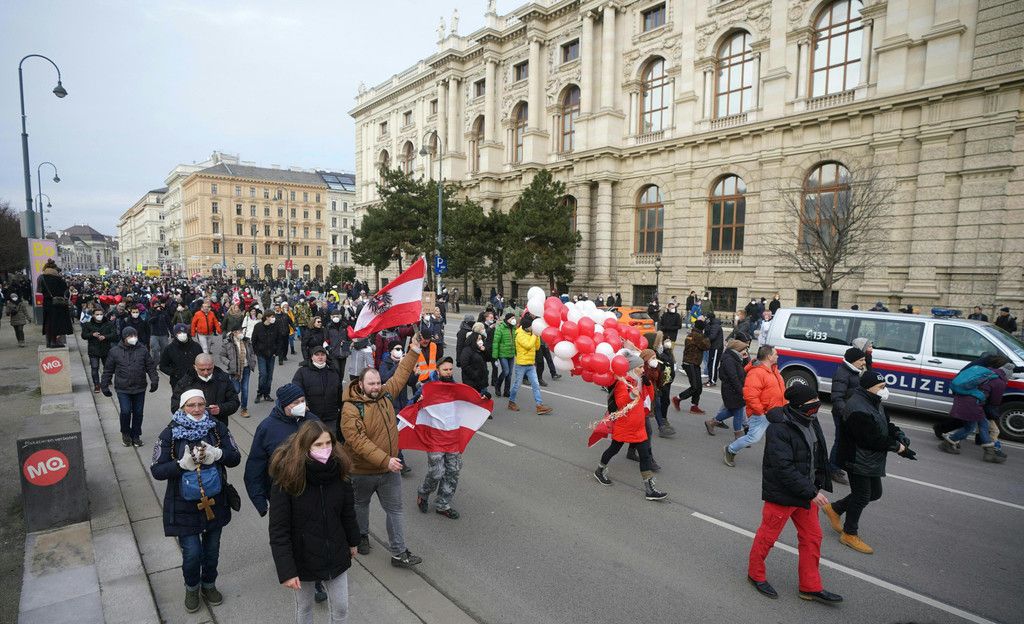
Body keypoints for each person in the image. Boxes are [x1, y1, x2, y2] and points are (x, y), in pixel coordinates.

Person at [747, 384, 841, 604]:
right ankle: (755, 574)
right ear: (799, 405)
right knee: (767, 537)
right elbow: (783, 468)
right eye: (812, 401)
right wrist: (811, 492)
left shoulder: (811, 420)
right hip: (783, 494)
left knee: (812, 537)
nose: (817, 404)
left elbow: (818, 454)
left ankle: (810, 586)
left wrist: (818, 482)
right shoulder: (778, 428)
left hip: (806, 493)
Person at [151, 389, 241, 613]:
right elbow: (157, 470)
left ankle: (209, 584)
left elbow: (235, 457)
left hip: (215, 500)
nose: (197, 409)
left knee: (212, 550)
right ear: (182, 408)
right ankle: (192, 588)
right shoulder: (169, 433)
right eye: (191, 405)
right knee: (192, 553)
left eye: (201, 404)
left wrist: (218, 454)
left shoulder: (217, 428)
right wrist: (180, 465)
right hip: (183, 504)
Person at [341, 335, 424, 567]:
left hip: (389, 470)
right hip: (362, 471)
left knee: (395, 510)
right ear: (360, 384)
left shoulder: (385, 394)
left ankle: (399, 552)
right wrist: (385, 460)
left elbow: (400, 375)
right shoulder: (350, 408)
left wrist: (414, 351)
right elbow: (357, 441)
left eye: (378, 383)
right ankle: (362, 536)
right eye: (371, 384)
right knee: (361, 506)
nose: (376, 387)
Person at [269, 420, 359, 624]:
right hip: (303, 556)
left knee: (341, 608)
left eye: (328, 443)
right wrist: (287, 571)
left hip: (335, 551)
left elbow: (347, 511)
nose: (325, 449)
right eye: (318, 444)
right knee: (305, 607)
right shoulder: (288, 478)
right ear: (305, 446)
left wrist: (353, 541)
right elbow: (279, 529)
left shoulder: (340, 472)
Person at [822, 372, 913, 554]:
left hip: (869, 459)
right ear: (869, 387)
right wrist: (898, 447)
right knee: (862, 496)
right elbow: (869, 439)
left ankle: (835, 508)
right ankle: (849, 534)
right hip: (857, 459)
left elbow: (884, 424)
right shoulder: (857, 407)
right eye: (881, 387)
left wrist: (898, 434)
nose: (885, 390)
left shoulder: (873, 401)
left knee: (874, 493)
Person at [593, 349, 668, 501]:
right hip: (625, 426)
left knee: (645, 455)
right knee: (614, 449)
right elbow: (620, 402)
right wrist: (631, 394)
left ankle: (649, 489)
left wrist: (648, 384)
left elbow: (649, 398)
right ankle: (600, 470)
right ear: (632, 368)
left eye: (642, 367)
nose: (643, 369)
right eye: (640, 367)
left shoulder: (639, 381)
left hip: (638, 426)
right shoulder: (623, 382)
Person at [244, 384, 322, 518]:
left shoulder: (313, 421)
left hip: (312, 491)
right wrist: (259, 501)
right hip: (282, 494)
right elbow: (255, 465)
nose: (301, 405)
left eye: (303, 401)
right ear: (284, 404)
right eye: (296, 402)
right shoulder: (267, 428)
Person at [415, 358, 471, 518]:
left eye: (451, 369)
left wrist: (482, 396)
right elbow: (412, 405)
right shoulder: (428, 388)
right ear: (438, 371)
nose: (449, 372)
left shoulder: (456, 388)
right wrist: (418, 400)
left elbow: (469, 400)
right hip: (435, 439)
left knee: (453, 472)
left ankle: (443, 504)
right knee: (437, 472)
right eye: (445, 370)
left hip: (452, 439)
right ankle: (423, 493)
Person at [723, 345, 786, 467]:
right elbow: (750, 396)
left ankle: (775, 462)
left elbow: (780, 389)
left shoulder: (774, 370)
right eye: (775, 354)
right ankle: (730, 449)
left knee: (778, 438)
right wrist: (761, 412)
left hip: (776, 411)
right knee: (753, 438)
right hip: (762, 413)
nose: (778, 356)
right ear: (769, 357)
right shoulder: (756, 372)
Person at [939, 358, 1012, 463]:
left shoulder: (986, 372)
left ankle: (989, 452)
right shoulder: (999, 381)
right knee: (970, 428)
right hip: (973, 403)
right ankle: (948, 443)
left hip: (962, 398)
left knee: (982, 425)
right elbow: (995, 402)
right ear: (1007, 375)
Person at [101, 327, 159, 447]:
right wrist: (104, 385)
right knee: (126, 411)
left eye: (135, 335)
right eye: (130, 336)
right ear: (124, 337)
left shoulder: (142, 350)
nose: (133, 338)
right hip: (123, 388)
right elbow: (108, 370)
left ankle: (136, 435)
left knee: (138, 412)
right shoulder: (115, 351)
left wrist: (154, 380)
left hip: (139, 387)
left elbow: (150, 367)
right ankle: (126, 433)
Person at [828, 347, 867, 486]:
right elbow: (837, 397)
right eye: (861, 360)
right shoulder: (843, 373)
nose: (864, 362)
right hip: (843, 415)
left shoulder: (854, 371)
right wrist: (847, 415)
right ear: (852, 361)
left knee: (846, 441)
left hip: (851, 413)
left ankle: (837, 466)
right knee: (840, 441)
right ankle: (833, 469)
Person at [171, 353, 240, 425]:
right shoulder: (185, 382)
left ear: (213, 366)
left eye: (209, 369)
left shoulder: (224, 380)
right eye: (202, 369)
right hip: (192, 427)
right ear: (195, 367)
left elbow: (234, 402)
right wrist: (193, 412)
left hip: (218, 425)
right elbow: (175, 407)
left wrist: (220, 409)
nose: (206, 372)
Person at [292, 346, 343, 437]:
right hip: (311, 417)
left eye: (322, 354)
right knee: (312, 441)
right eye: (317, 355)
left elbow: (339, 391)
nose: (320, 357)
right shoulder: (302, 372)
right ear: (312, 357)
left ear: (326, 357)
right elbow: (296, 389)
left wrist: (342, 407)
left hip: (331, 416)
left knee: (330, 441)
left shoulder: (333, 371)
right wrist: (303, 404)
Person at [705, 337, 750, 437]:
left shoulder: (736, 358)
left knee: (735, 411)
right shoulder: (729, 360)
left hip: (735, 389)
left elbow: (742, 372)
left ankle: (712, 422)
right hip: (732, 390)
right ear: (737, 350)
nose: (745, 351)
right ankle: (738, 435)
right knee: (737, 411)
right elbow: (733, 377)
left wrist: (745, 359)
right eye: (744, 349)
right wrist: (741, 391)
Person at [507, 317, 553, 414]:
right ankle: (511, 402)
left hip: (531, 364)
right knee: (517, 385)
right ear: (526, 327)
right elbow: (528, 345)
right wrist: (535, 335)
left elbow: (536, 347)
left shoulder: (531, 334)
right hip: (521, 365)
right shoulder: (519, 335)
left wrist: (537, 336)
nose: (533, 327)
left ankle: (539, 406)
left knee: (536, 385)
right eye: (531, 326)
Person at [671, 319, 711, 415]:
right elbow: (707, 346)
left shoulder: (691, 334)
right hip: (690, 363)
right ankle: (678, 398)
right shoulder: (698, 336)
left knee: (699, 387)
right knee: (695, 387)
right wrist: (706, 336)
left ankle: (694, 406)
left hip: (693, 362)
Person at [220, 326, 257, 418]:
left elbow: (252, 352)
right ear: (233, 333)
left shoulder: (247, 341)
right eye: (238, 331)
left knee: (245, 389)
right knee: (236, 389)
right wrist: (229, 363)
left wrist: (253, 360)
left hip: (246, 368)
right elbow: (222, 356)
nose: (241, 333)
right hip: (234, 370)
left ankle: (244, 409)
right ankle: (229, 402)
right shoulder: (227, 342)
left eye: (241, 331)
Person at [82, 307, 119, 392]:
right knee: (94, 367)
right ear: (93, 315)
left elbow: (114, 335)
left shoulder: (109, 324)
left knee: (107, 367)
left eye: (101, 314)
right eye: (97, 314)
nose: (99, 316)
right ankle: (96, 384)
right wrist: (92, 334)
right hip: (93, 350)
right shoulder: (88, 324)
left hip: (106, 349)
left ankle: (107, 380)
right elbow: (84, 335)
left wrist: (105, 337)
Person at [37, 259, 73, 348]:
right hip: (57, 303)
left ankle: (49, 342)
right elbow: (65, 291)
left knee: (48, 322)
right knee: (56, 322)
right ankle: (54, 341)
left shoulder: (41, 278)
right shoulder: (58, 279)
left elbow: (39, 290)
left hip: (47, 302)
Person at [160, 323, 205, 391]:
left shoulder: (196, 346)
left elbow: (202, 361)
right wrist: (174, 373)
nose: (182, 334)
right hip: (177, 382)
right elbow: (163, 366)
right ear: (175, 334)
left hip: (195, 381)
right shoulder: (169, 349)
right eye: (179, 333)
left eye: (184, 332)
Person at [252, 311, 280, 403]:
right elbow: (254, 340)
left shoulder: (275, 326)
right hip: (261, 354)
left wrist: (276, 352)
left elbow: (279, 340)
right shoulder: (258, 326)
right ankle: (259, 393)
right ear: (267, 317)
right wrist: (256, 352)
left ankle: (267, 394)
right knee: (263, 374)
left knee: (269, 376)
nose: (273, 318)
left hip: (272, 354)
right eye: (272, 316)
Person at [491, 313, 516, 397]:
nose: (513, 320)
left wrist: (516, 353)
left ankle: (506, 391)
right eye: (512, 318)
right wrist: (495, 357)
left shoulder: (513, 328)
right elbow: (496, 342)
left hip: (511, 354)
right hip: (503, 354)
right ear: (507, 319)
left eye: (514, 318)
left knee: (509, 374)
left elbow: (515, 342)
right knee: (506, 371)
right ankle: (497, 386)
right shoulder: (500, 328)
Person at [703, 312, 724, 387]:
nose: (705, 319)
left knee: (713, 365)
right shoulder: (711, 324)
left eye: (706, 318)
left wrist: (704, 340)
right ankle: (710, 379)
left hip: (716, 348)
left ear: (710, 318)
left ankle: (712, 381)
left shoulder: (715, 326)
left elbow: (712, 336)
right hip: (712, 347)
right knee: (710, 364)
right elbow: (707, 333)